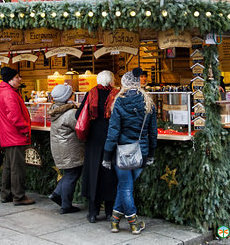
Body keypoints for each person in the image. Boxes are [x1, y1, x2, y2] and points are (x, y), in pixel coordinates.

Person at [103, 69, 158, 235]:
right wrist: (152, 154)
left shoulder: (119, 101)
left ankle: (133, 223)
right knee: (126, 186)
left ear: (124, 83)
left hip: (122, 152)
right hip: (142, 151)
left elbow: (113, 132)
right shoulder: (148, 102)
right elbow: (153, 131)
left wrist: (106, 155)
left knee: (125, 187)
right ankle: (115, 220)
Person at [75, 70, 119, 223]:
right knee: (110, 175)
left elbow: (78, 116)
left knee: (94, 174)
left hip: (93, 140)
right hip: (111, 139)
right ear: (111, 81)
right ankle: (109, 212)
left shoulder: (90, 94)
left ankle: (93, 213)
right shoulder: (117, 95)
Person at [0, 67, 35, 206]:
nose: (20, 79)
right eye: (17, 77)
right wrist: (25, 129)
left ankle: (6, 194)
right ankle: (18, 196)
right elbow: (15, 116)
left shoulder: (6, 92)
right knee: (17, 168)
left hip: (8, 136)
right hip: (15, 136)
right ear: (10, 79)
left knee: (8, 167)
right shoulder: (9, 94)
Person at [48, 84, 83, 214]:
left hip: (60, 147)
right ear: (67, 97)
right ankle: (66, 205)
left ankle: (57, 194)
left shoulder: (56, 109)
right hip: (70, 148)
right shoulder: (70, 113)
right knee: (72, 175)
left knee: (69, 174)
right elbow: (81, 128)